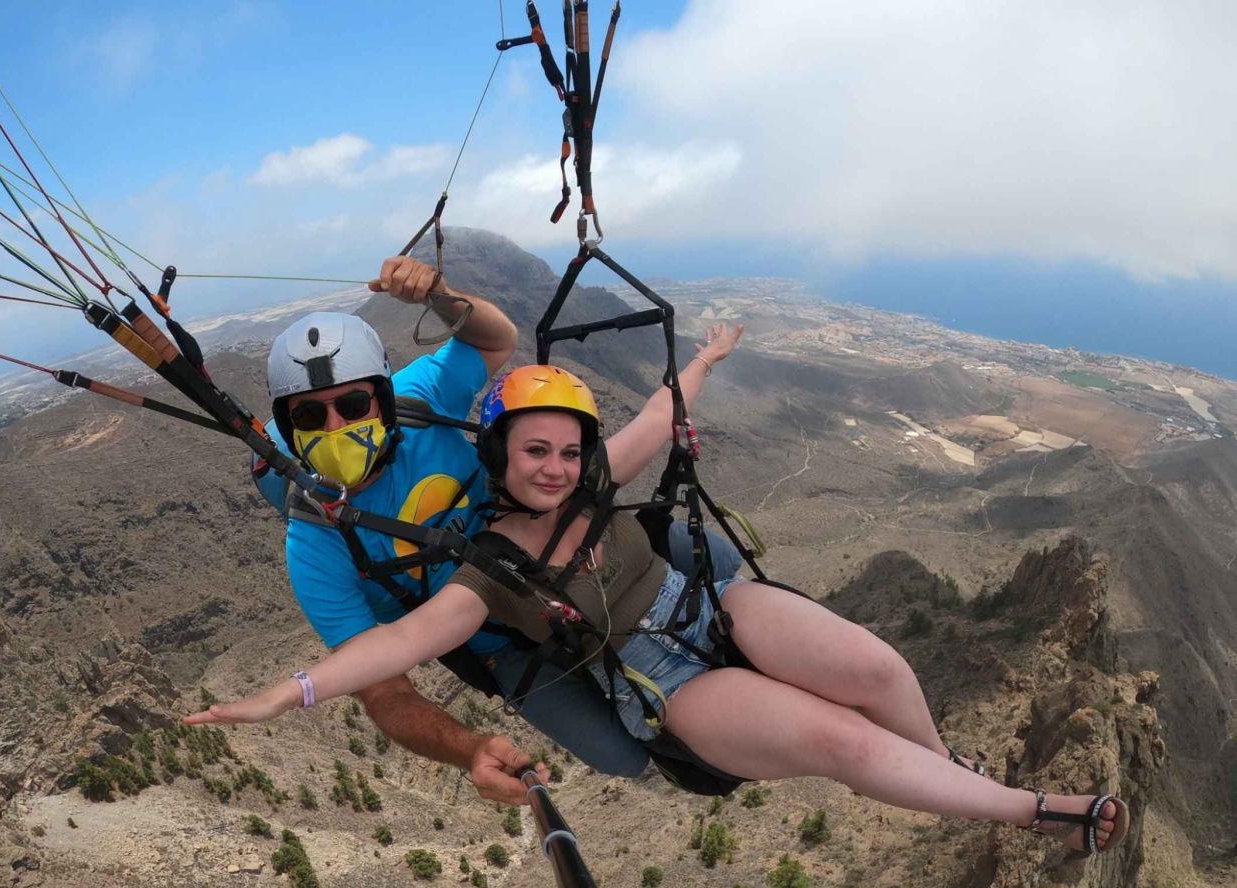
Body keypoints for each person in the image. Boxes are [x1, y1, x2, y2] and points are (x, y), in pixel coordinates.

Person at [192, 325, 1131, 856]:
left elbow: (654, 414)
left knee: (878, 668)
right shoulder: (485, 573)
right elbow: (396, 648)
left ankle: (952, 767)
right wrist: (290, 692)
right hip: (664, 679)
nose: (556, 467)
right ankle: (1031, 809)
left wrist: (708, 360)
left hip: (710, 606)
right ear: (498, 458)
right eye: (535, 452)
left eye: (568, 452)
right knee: (839, 740)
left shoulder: (594, 481)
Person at [246, 253, 662, 805]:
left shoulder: (417, 398)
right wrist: (471, 749)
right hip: (503, 644)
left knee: (705, 564)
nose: (335, 426)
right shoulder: (314, 548)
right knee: (623, 757)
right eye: (308, 417)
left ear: (382, 401)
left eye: (353, 404)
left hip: (560, 542)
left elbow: (496, 341)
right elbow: (383, 689)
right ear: (290, 430)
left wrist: (439, 295)